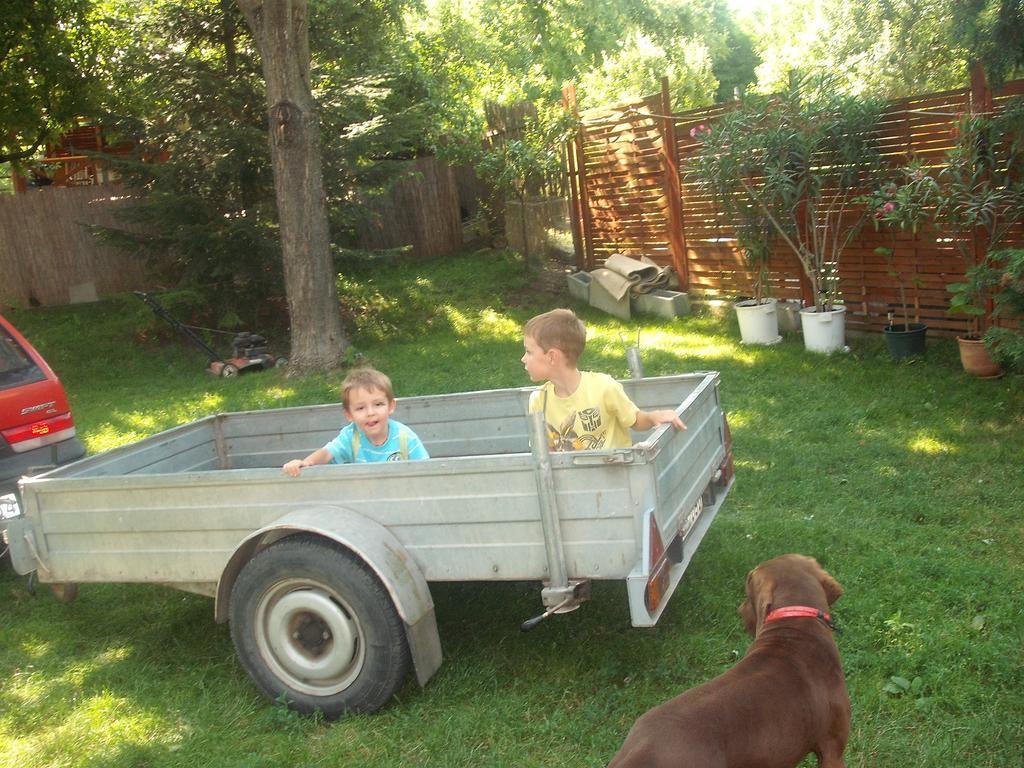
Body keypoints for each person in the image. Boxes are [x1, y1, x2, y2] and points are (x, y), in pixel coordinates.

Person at [522, 308, 685, 451]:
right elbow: (544, 453)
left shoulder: (603, 387)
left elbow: (635, 420)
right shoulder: (538, 400)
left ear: (552, 356)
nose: (523, 359)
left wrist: (653, 417)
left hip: (615, 479)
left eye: (529, 352)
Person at [282, 366, 428, 475]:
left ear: (391, 406)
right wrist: (306, 462)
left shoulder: (405, 437)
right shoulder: (351, 436)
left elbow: (427, 471)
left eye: (378, 404)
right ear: (349, 415)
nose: (370, 413)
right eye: (360, 408)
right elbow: (327, 452)